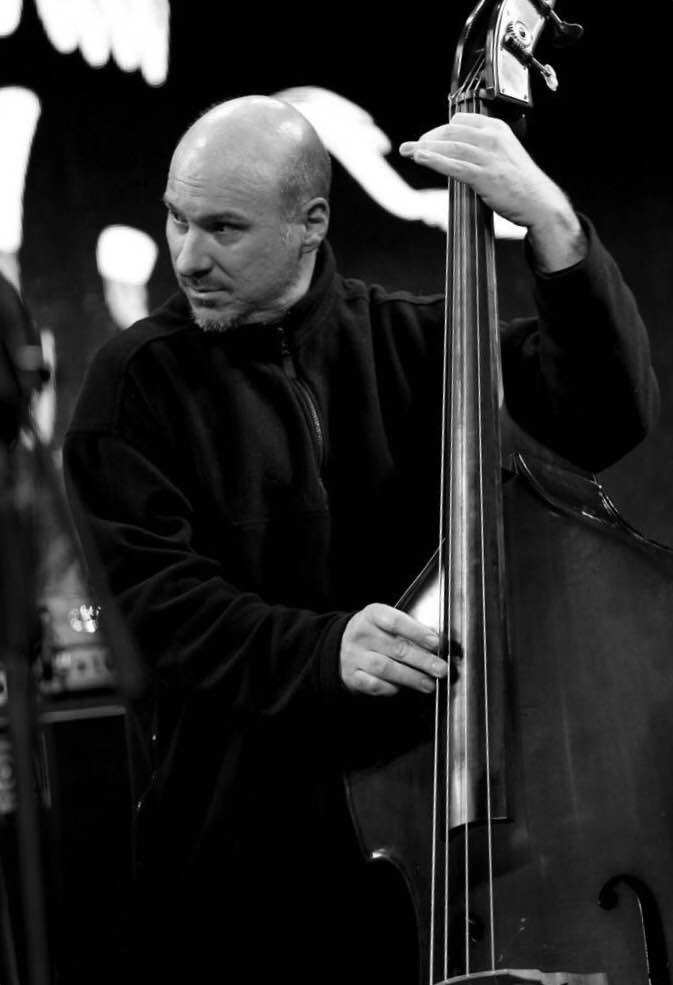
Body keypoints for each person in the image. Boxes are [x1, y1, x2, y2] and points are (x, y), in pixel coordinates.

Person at [63, 95, 658, 984]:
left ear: (311, 223)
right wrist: (323, 648)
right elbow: (160, 609)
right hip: (244, 873)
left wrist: (552, 224)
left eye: (224, 228)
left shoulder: (420, 340)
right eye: (177, 219)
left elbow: (607, 413)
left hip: (436, 839)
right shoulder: (132, 384)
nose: (188, 257)